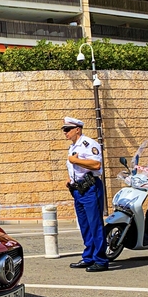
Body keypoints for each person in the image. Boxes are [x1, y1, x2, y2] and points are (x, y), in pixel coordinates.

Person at [63, 117, 108, 272]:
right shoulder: (72, 147)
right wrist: (70, 179)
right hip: (78, 189)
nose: (65, 133)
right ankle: (88, 257)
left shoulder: (89, 144)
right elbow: (76, 168)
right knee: (85, 225)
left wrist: (75, 161)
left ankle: (101, 260)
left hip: (90, 189)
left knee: (95, 224)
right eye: (64, 130)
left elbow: (96, 164)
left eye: (67, 129)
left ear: (78, 129)